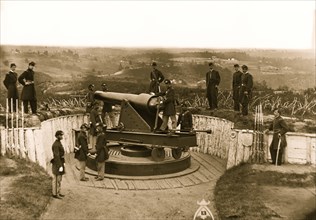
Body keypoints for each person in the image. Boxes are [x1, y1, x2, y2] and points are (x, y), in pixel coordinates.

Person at [51, 130, 65, 199]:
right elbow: (56, 156)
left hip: (60, 162)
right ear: (57, 136)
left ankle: (58, 192)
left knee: (59, 179)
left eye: (62, 135)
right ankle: (55, 193)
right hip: (57, 164)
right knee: (56, 179)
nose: (61, 136)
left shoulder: (58, 143)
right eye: (60, 135)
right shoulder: (56, 144)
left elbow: (61, 154)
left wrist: (63, 163)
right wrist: (60, 166)